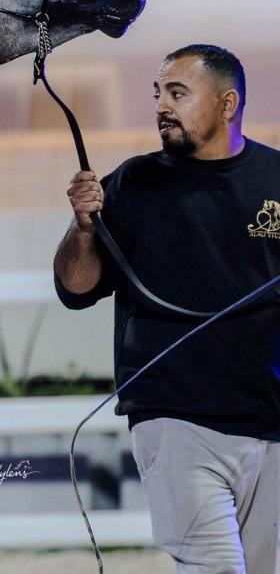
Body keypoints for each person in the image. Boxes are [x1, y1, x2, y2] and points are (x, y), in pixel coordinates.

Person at [53, 44, 280, 574]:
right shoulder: (133, 183)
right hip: (174, 420)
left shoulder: (275, 179)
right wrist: (83, 228)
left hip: (270, 422)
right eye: (158, 93)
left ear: (228, 104)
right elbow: (76, 287)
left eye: (178, 93)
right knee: (216, 567)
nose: (162, 105)